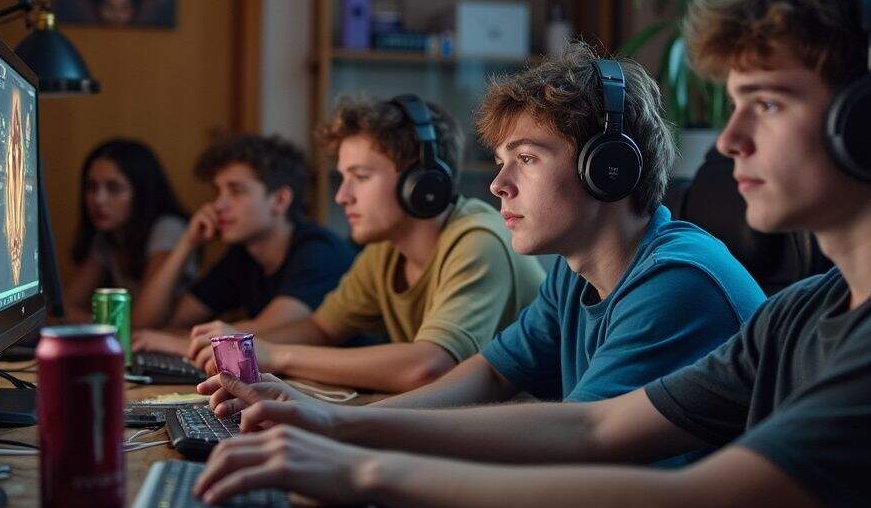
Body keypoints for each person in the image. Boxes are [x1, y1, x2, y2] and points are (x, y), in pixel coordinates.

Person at [187, 0, 871, 508]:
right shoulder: (810, 309)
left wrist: (359, 467)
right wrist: (335, 426)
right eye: (735, 102)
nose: (731, 140)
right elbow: (596, 428)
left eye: (771, 102)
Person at [203, 47, 764, 418]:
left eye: (526, 158)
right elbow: (492, 374)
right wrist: (331, 418)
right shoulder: (575, 276)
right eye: (500, 160)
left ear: (607, 167)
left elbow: (580, 438)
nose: (498, 184)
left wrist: (343, 433)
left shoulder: (676, 280)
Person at [188, 95, 546, 395]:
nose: (342, 196)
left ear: (423, 183)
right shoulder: (385, 251)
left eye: (360, 177)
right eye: (343, 178)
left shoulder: (478, 240)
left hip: (530, 445)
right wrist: (240, 341)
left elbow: (429, 366)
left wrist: (276, 355)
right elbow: (322, 329)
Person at [130, 134, 355, 355]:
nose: (218, 205)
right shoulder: (243, 256)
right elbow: (150, 323)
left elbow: (260, 336)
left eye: (236, 191)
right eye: (218, 192)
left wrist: (171, 342)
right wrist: (186, 244)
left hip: (353, 389)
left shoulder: (319, 252)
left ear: (280, 200)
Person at [66, 138, 195, 316]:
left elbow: (143, 320)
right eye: (91, 187)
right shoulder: (106, 237)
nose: (98, 199)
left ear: (141, 193)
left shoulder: (167, 228)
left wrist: (92, 326)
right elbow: (65, 307)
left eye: (114, 188)